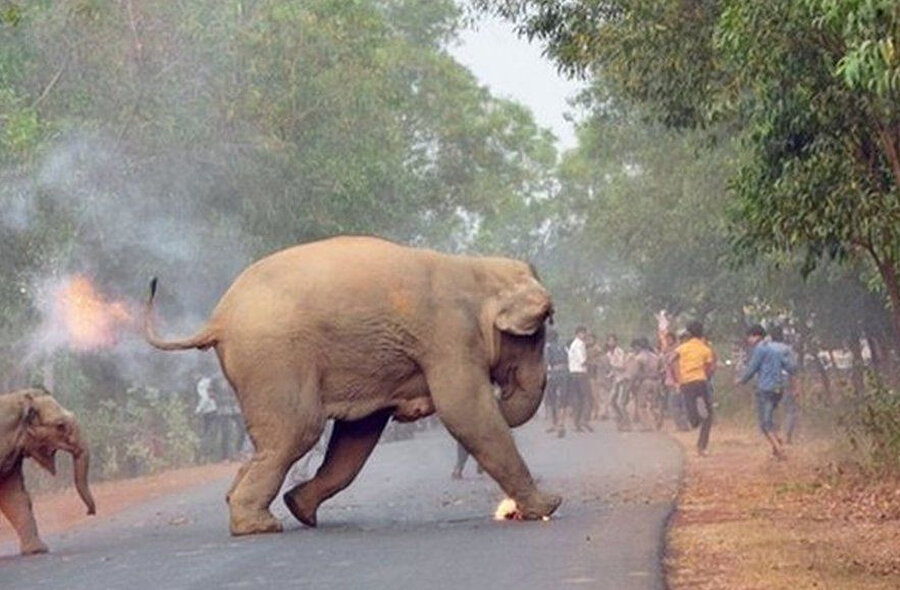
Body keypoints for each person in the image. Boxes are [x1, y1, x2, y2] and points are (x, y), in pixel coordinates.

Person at [737, 324, 797, 459]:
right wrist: (794, 386)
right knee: (771, 419)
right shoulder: (778, 349)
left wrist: (741, 381)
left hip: (765, 389)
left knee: (765, 423)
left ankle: (779, 450)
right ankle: (776, 448)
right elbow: (791, 367)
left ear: (756, 336)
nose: (748, 341)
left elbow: (752, 368)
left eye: (749, 337)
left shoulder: (760, 349)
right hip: (778, 389)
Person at [673, 320, 716, 456]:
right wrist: (706, 375)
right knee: (708, 416)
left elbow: (671, 360)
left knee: (692, 414)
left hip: (686, 383)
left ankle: (695, 421)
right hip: (701, 381)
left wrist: (678, 377)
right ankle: (701, 446)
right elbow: (710, 367)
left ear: (688, 333)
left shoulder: (682, 348)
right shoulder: (705, 349)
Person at [624, 337, 662, 431]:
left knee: (641, 405)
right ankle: (657, 417)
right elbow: (660, 369)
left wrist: (630, 385)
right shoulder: (655, 356)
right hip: (656, 382)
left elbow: (635, 374)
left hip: (645, 382)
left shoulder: (639, 358)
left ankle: (647, 426)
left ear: (638, 346)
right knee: (654, 404)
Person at [566, 326, 593, 434]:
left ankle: (576, 423)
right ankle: (584, 420)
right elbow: (583, 360)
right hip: (581, 373)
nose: (585, 335)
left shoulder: (573, 344)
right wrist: (593, 360)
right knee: (587, 397)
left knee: (577, 398)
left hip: (573, 373)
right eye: (584, 333)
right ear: (579, 333)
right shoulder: (580, 344)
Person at [543, 329, 569, 434]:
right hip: (565, 373)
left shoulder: (548, 347)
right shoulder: (563, 346)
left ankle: (553, 424)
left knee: (551, 399)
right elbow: (568, 359)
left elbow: (546, 362)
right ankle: (561, 424)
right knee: (563, 398)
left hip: (553, 373)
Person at [194, 375, 219, 461]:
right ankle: (211, 453)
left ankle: (204, 452)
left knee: (207, 432)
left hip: (208, 411)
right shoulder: (210, 380)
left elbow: (205, 398)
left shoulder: (201, 384)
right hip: (214, 409)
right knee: (212, 431)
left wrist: (198, 410)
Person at [606, 334, 628, 427]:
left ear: (616, 342)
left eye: (612, 341)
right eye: (609, 341)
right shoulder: (608, 354)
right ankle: (620, 419)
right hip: (615, 379)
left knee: (620, 402)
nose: (611, 343)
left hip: (622, 379)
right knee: (611, 401)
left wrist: (613, 367)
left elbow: (622, 366)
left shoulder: (620, 352)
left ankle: (626, 422)